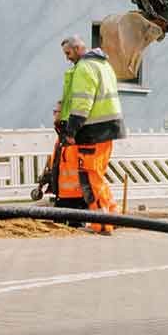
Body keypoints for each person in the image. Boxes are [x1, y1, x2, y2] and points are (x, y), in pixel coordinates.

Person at [54, 34, 125, 233]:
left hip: (92, 131)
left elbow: (82, 103)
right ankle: (113, 216)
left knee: (90, 178)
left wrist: (71, 131)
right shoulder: (103, 65)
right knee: (97, 176)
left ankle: (101, 223)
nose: (67, 57)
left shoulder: (84, 68)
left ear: (78, 49)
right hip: (108, 129)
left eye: (68, 53)